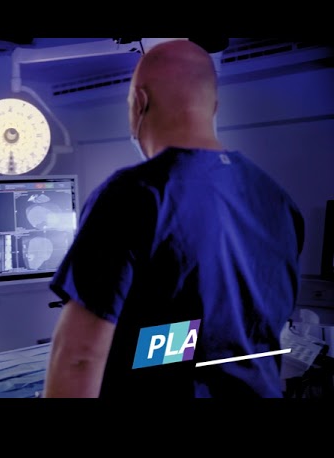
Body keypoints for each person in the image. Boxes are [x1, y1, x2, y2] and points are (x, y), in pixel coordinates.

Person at [42, 39, 305, 398]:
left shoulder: (133, 195)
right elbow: (222, 334)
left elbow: (79, 358)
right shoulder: (279, 202)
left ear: (139, 103)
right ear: (214, 107)